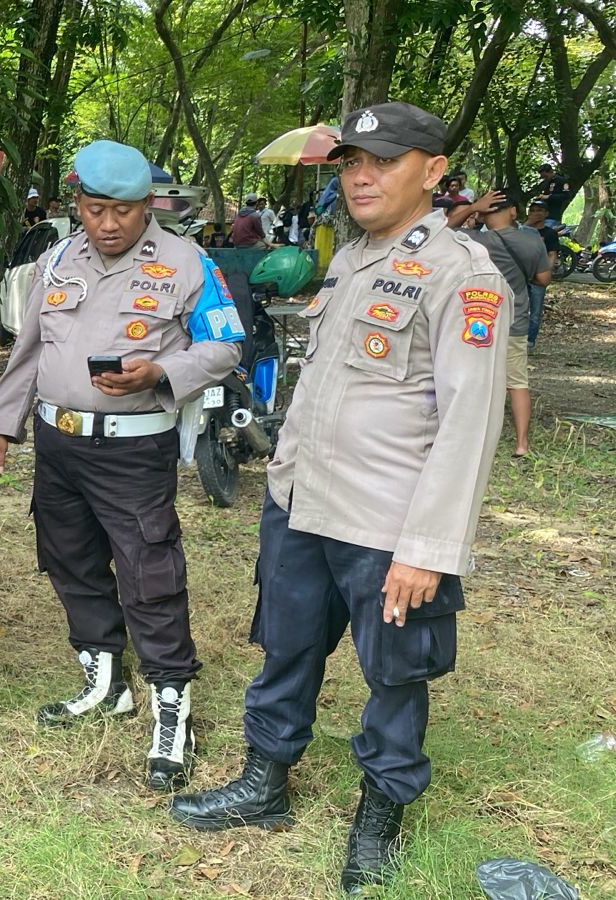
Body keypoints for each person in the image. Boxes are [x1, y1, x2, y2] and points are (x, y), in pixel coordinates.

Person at [169, 101, 511, 894]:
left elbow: (469, 422)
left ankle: (379, 817)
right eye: (352, 160)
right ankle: (265, 783)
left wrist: (427, 547)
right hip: (301, 502)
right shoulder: (351, 258)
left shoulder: (463, 274)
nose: (361, 175)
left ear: (431, 173)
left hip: (386, 520)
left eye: (383, 161)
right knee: (285, 647)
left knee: (394, 674)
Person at [0, 139, 244, 793]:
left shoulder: (187, 262)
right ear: (78, 204)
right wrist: (1, 423)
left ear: (146, 206)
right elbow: (30, 349)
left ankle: (170, 708)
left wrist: (163, 371)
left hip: (133, 448)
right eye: (96, 209)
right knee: (68, 557)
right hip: (58, 443)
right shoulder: (59, 258)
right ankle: (105, 682)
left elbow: (225, 346)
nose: (108, 224)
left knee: (149, 572)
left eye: (123, 211)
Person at [455, 190, 550, 458]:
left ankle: (468, 441)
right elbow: (543, 279)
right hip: (514, 321)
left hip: (474, 322)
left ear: (484, 213)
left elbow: (440, 230)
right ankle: (521, 443)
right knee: (517, 382)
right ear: (513, 212)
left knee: (469, 380)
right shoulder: (532, 242)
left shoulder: (472, 240)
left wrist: (472, 207)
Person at [522, 200, 557, 348]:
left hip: (539, 276)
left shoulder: (550, 233)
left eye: (540, 210)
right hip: (521, 275)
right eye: (533, 210)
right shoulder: (521, 230)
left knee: (535, 312)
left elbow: (552, 254)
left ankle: (530, 342)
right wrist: (528, 223)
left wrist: (546, 272)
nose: (536, 213)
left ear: (546, 214)